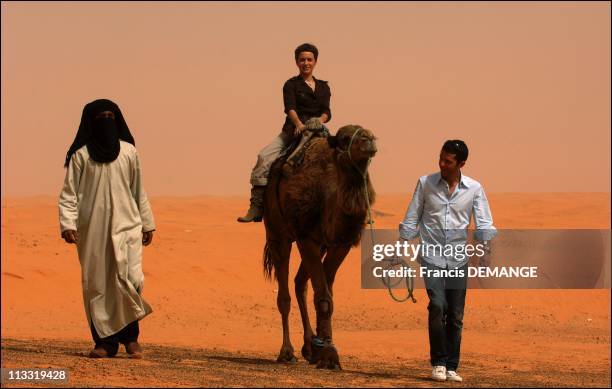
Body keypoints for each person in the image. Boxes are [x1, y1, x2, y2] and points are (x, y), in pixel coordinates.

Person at [59, 99, 156, 359]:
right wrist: (67, 223)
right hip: (92, 230)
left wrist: (147, 222)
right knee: (98, 284)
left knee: (131, 280)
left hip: (128, 226)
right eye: (101, 117)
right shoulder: (80, 156)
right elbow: (69, 194)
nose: (106, 122)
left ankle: (131, 338)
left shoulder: (129, 152)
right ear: (90, 123)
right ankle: (105, 343)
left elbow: (139, 190)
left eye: (110, 116)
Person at [399, 140, 496, 382]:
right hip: (431, 257)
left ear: (461, 163)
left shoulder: (474, 188)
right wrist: (402, 246)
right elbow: (412, 216)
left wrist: (484, 253)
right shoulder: (425, 183)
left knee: (455, 314)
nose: (442, 164)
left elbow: (484, 223)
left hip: (458, 260)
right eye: (440, 158)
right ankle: (439, 362)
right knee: (438, 305)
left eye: (448, 161)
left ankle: (452, 366)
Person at [237, 43, 332, 222]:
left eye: (309, 59)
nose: (306, 63)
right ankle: (257, 206)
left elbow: (327, 111)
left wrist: (319, 121)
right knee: (264, 157)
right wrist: (298, 124)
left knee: (346, 157)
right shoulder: (291, 85)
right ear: (297, 62)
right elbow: (290, 108)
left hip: (319, 131)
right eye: (302, 59)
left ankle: (358, 207)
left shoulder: (323, 87)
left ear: (315, 62)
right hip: (293, 131)